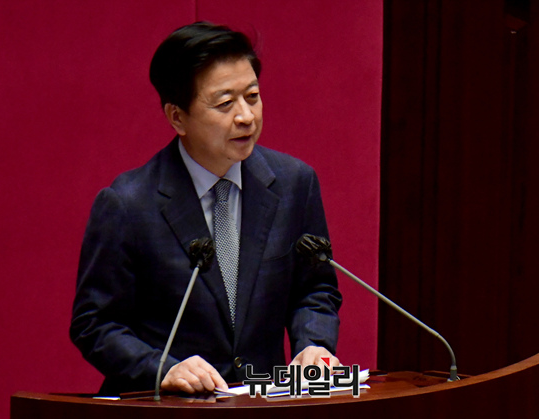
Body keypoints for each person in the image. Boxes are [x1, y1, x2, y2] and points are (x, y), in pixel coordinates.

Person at [70, 21, 342, 396]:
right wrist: (162, 368)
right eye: (225, 103)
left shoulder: (294, 184)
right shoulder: (128, 204)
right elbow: (94, 323)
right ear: (177, 117)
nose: (246, 116)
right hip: (169, 407)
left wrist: (314, 345)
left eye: (252, 96)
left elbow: (315, 290)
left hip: (263, 402)